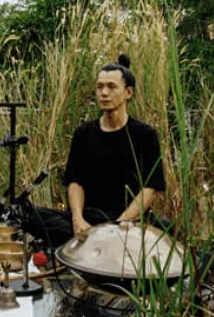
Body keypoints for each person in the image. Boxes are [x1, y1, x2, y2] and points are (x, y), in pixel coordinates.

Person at [21, 55, 169, 249]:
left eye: (111, 87)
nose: (104, 93)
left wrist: (117, 226)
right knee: (30, 216)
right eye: (100, 87)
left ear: (128, 92)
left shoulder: (145, 134)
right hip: (89, 219)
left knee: (165, 228)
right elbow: (75, 181)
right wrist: (77, 219)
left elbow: (150, 188)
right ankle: (87, 239)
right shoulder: (84, 133)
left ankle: (92, 244)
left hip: (127, 222)